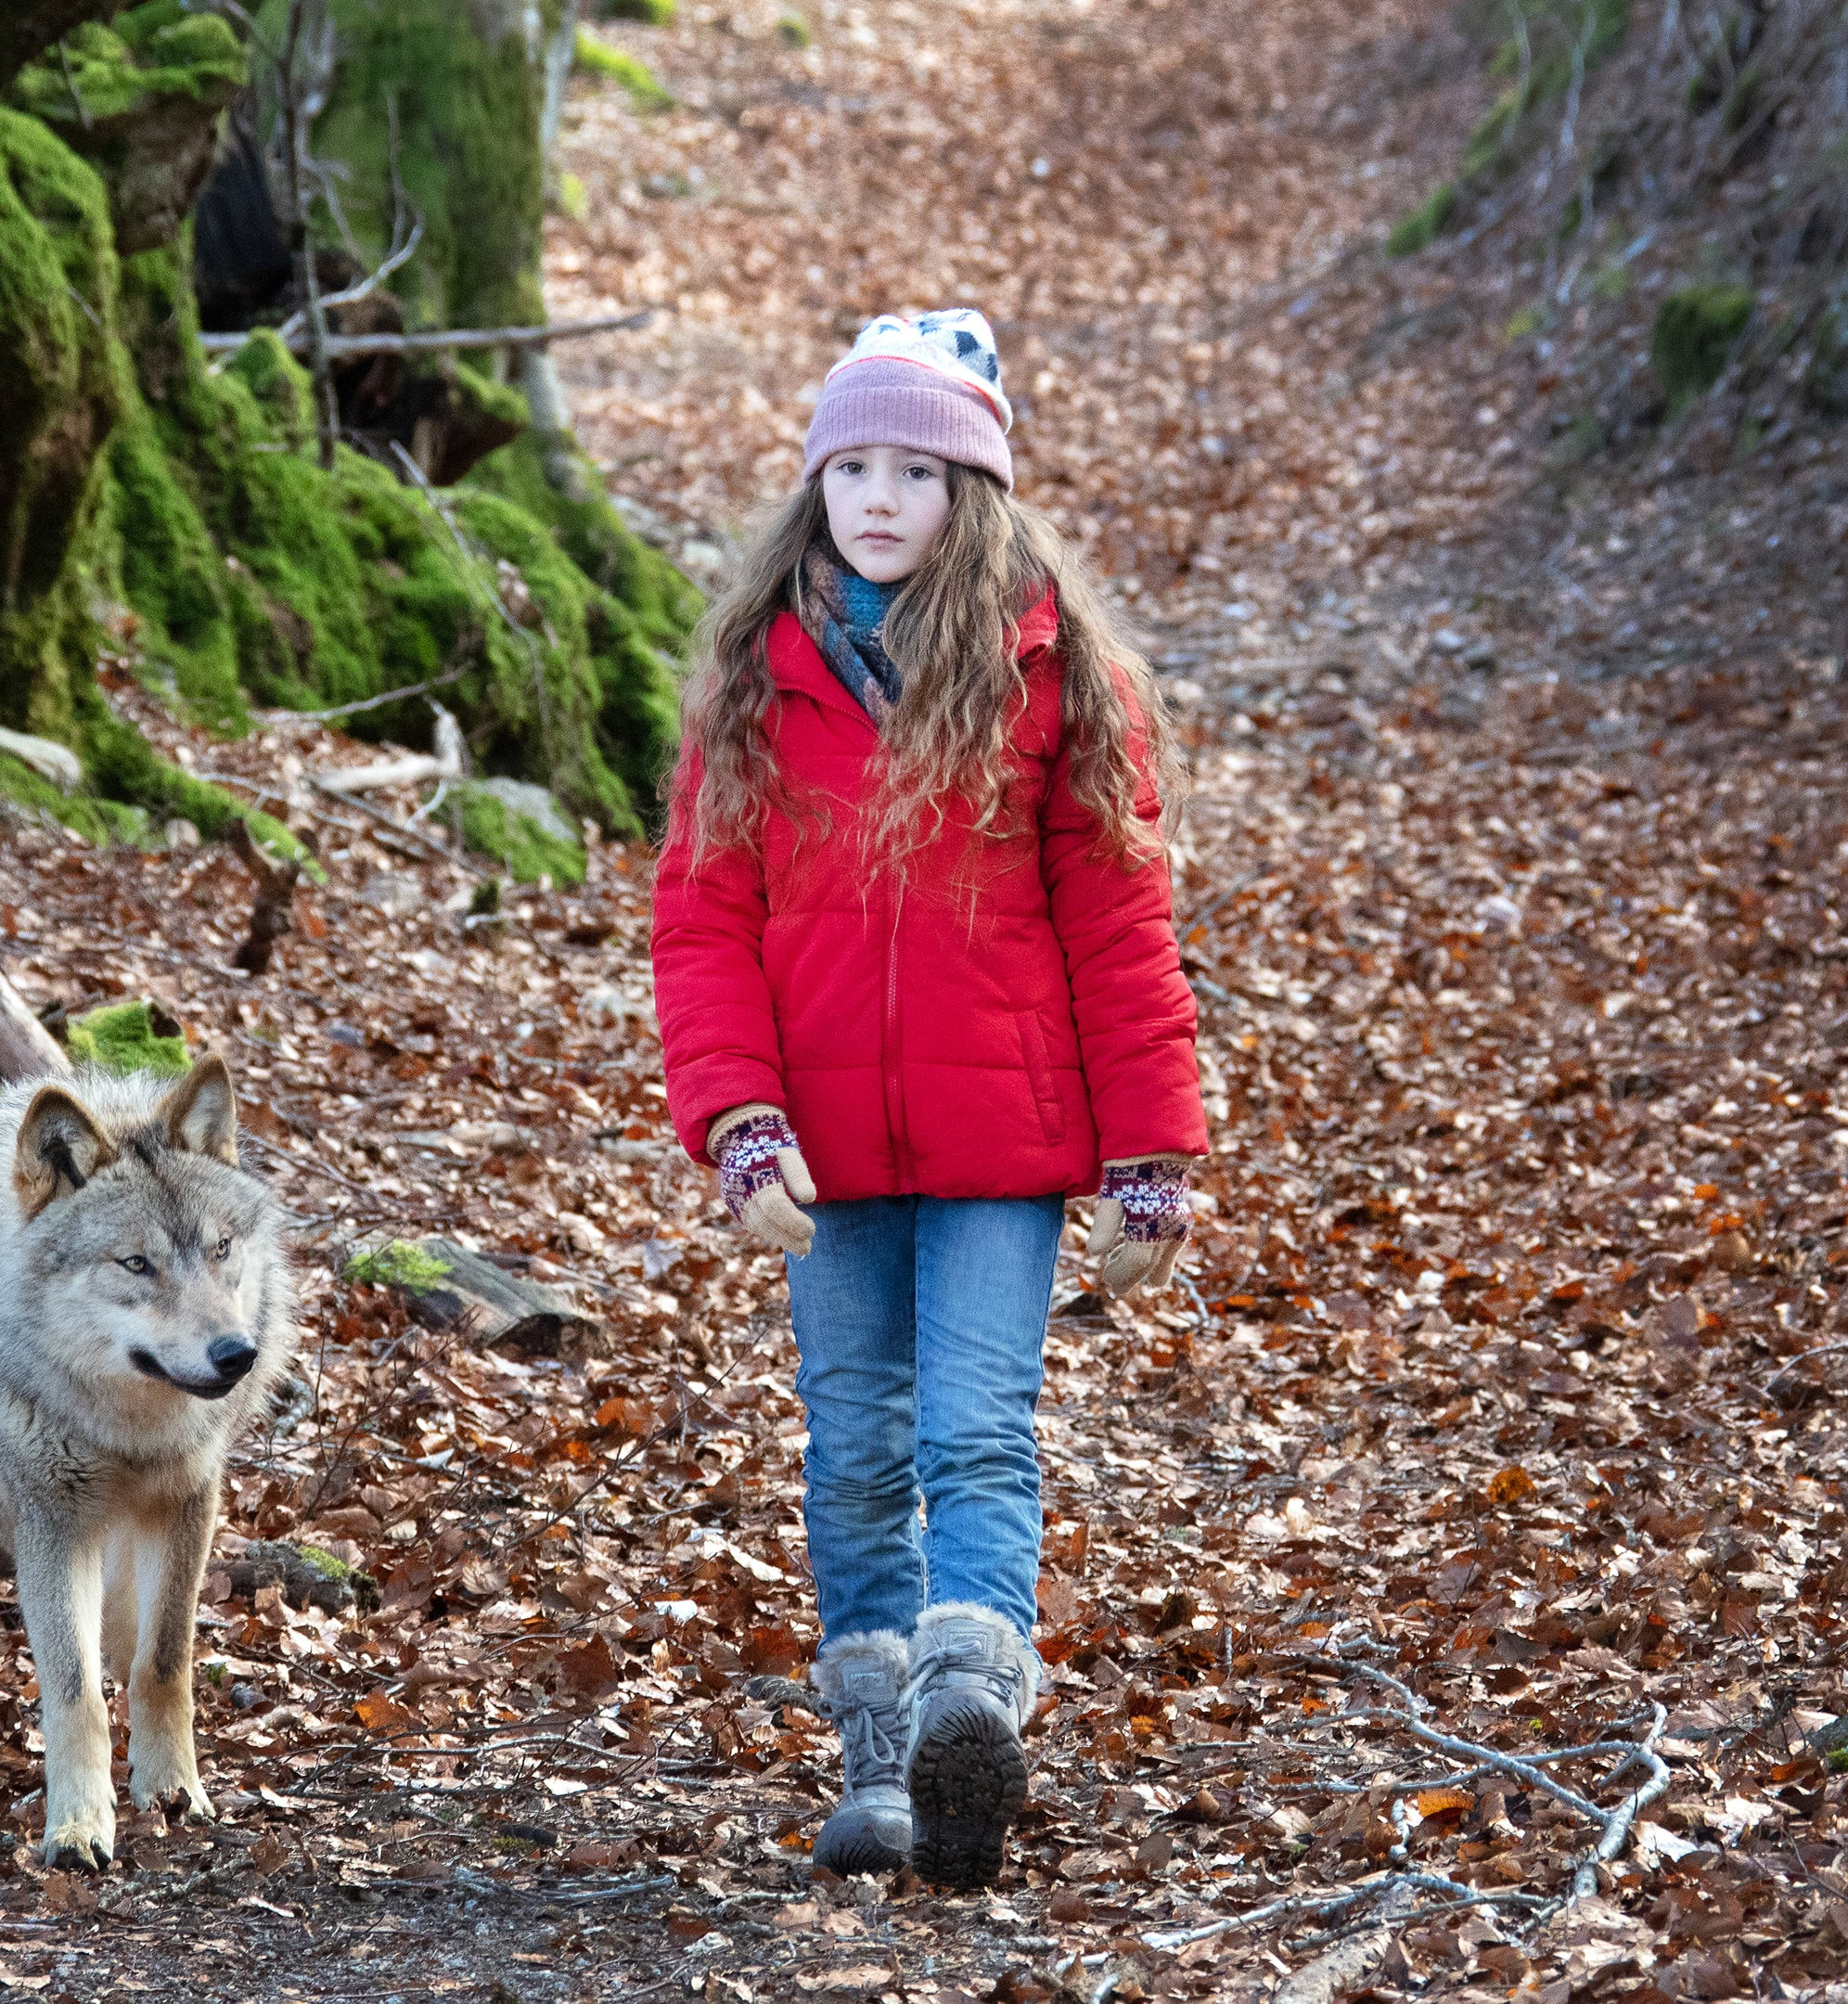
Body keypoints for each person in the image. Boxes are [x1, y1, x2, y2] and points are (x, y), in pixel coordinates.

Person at [648, 309, 1207, 1891]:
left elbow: (1119, 922)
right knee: (854, 1441)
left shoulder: (1052, 676)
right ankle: (882, 1759)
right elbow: (701, 925)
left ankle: (977, 1708)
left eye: (919, 468)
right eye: (853, 466)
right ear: (816, 482)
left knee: (975, 1430)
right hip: (818, 1148)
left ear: (978, 493)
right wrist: (737, 1119)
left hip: (1001, 1147)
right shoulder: (758, 685)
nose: (880, 497)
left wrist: (1152, 1150)